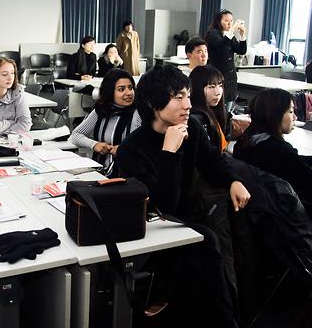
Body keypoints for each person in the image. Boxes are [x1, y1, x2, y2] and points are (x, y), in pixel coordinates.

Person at [116, 64, 249, 327]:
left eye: (188, 95)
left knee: (206, 254)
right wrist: (169, 153)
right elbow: (163, 206)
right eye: (178, 97)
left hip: (187, 224)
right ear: (154, 103)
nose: (188, 105)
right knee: (203, 252)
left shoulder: (193, 130)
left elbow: (213, 161)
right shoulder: (131, 150)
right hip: (150, 234)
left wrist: (233, 180)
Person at [234, 88, 312, 194]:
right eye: (291, 111)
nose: (295, 117)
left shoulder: (245, 140)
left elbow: (294, 161)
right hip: (283, 211)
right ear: (274, 115)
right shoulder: (279, 149)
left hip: (256, 207)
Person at [69, 69, 140, 177]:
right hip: (100, 171)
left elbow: (143, 147)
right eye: (121, 89)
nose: (129, 93)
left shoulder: (138, 113)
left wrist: (124, 150)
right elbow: (75, 135)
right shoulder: (101, 111)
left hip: (128, 175)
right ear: (110, 92)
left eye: (130, 88)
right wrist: (94, 145)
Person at [205, 9, 247, 108]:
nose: (229, 23)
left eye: (231, 21)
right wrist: (232, 31)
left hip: (230, 78)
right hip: (218, 76)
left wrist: (242, 36)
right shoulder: (213, 33)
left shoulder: (229, 35)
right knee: (219, 109)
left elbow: (241, 50)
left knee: (228, 110)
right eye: (226, 21)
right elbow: (220, 45)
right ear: (219, 21)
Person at [189, 65, 231, 152]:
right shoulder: (194, 118)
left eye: (220, 85)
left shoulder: (222, 112)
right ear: (197, 89)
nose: (218, 92)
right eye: (211, 86)